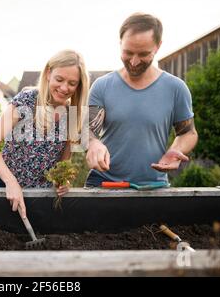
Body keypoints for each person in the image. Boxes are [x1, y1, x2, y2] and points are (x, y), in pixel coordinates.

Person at [85, 13, 198, 187]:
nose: (134, 61)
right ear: (120, 43)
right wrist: (92, 143)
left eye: (144, 54)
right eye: (128, 52)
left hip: (153, 187)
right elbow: (88, 131)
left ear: (158, 46)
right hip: (104, 185)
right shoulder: (102, 86)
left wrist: (176, 149)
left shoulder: (176, 88)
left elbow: (188, 133)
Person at [0, 49, 90, 217]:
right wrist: (11, 183)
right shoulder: (27, 100)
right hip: (8, 191)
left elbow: (63, 159)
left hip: (43, 197)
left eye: (72, 83)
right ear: (48, 73)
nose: (64, 88)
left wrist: (61, 181)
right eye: (59, 79)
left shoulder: (71, 113)